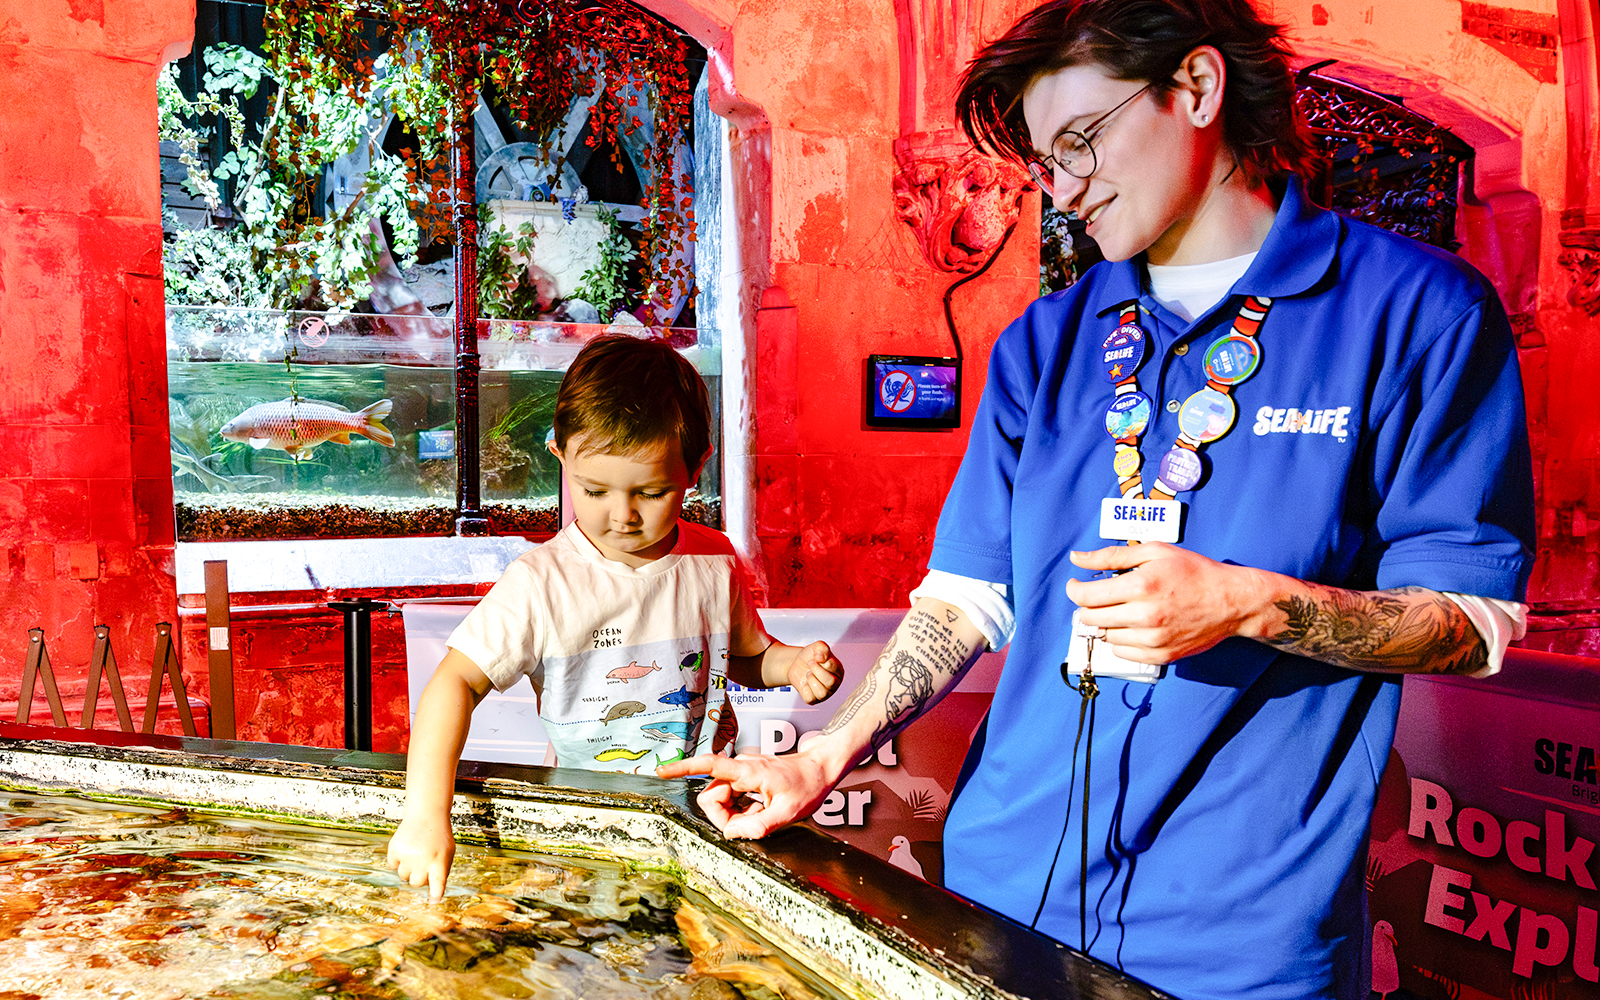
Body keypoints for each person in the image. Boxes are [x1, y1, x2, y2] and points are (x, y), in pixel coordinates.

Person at [660, 2, 1536, 998]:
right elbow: (964, 600)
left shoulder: (1419, 312)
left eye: (1081, 140)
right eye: (1046, 161)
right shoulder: (1046, 340)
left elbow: (1473, 621)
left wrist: (1248, 604)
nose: (1065, 189)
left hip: (1238, 944)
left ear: (1196, 88)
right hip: (996, 893)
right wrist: (822, 758)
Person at [388, 334, 844, 899]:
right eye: (594, 490)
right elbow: (453, 683)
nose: (622, 516)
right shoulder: (541, 582)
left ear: (695, 468)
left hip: (705, 816)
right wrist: (426, 813)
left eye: (650, 493)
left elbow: (745, 657)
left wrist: (792, 664)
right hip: (585, 827)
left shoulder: (714, 557)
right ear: (561, 457)